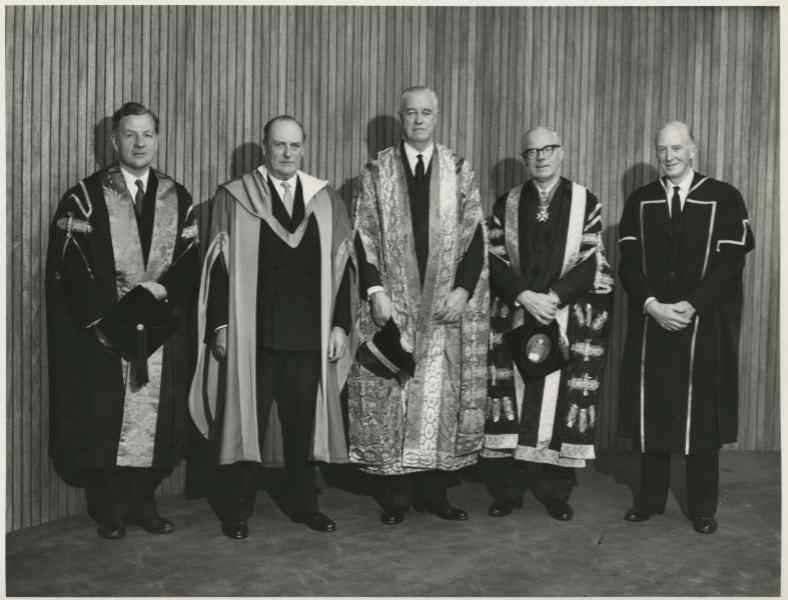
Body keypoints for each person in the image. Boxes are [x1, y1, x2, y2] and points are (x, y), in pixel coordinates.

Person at [189, 116, 354, 539]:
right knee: (247, 424)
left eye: (294, 145)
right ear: (264, 147)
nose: (286, 153)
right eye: (278, 145)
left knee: (301, 429)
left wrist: (339, 326)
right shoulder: (235, 197)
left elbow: (341, 269)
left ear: (303, 148)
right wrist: (221, 325)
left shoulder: (324, 198)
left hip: (307, 338)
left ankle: (305, 505)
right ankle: (237, 509)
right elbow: (218, 267)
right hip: (253, 336)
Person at [45, 101, 198, 539]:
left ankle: (145, 504)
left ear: (157, 138)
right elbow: (70, 267)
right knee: (106, 419)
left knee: (157, 422)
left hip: (159, 331)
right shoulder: (86, 197)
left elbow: (189, 260)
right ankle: (110, 508)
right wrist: (113, 316)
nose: (138, 143)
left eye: (146, 134)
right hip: (108, 332)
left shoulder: (177, 196)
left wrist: (160, 300)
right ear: (114, 141)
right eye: (129, 134)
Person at [348, 86, 489, 525]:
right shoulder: (378, 171)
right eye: (411, 113)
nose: (419, 120)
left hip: (444, 306)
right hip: (397, 305)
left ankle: (436, 494)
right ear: (401, 118)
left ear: (437, 116)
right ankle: (395, 498)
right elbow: (362, 235)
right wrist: (375, 292)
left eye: (426, 112)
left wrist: (463, 290)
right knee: (396, 395)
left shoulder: (458, 170)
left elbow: (476, 237)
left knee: (439, 400)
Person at [618, 121, 754, 534]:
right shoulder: (641, 201)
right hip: (653, 319)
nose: (669, 155)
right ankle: (650, 499)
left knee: (702, 417)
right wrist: (651, 305)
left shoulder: (724, 197)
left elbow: (730, 265)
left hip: (704, 324)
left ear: (693, 150)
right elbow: (629, 264)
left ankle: (702, 507)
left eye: (677, 147)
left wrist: (692, 305)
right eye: (662, 148)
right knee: (653, 408)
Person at [481, 126, 613, 521]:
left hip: (564, 316)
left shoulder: (584, 201)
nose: (540, 157)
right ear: (525, 158)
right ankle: (510, 491)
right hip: (520, 313)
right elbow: (494, 257)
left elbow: (592, 260)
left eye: (548, 149)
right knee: (515, 401)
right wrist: (524, 296)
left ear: (561, 152)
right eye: (532, 151)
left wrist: (554, 300)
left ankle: (556, 493)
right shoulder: (507, 203)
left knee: (559, 403)